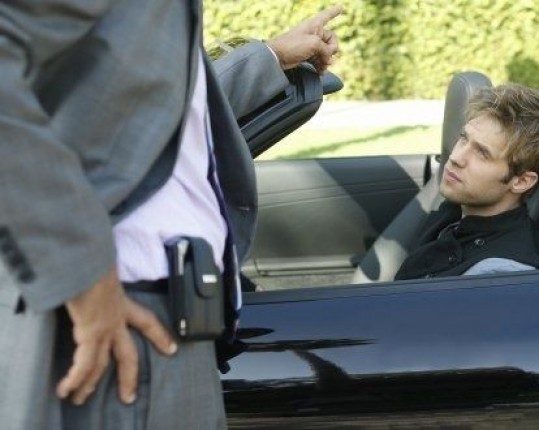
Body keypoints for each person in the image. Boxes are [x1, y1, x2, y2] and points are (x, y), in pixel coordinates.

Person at [0, 2, 342, 429]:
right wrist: (80, 272)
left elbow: (149, 107)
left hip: (170, 328)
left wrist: (269, 58)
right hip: (105, 326)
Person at [394, 84, 539, 280]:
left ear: (521, 181)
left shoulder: (500, 274)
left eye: (482, 153)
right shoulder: (456, 211)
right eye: (464, 138)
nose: (455, 157)